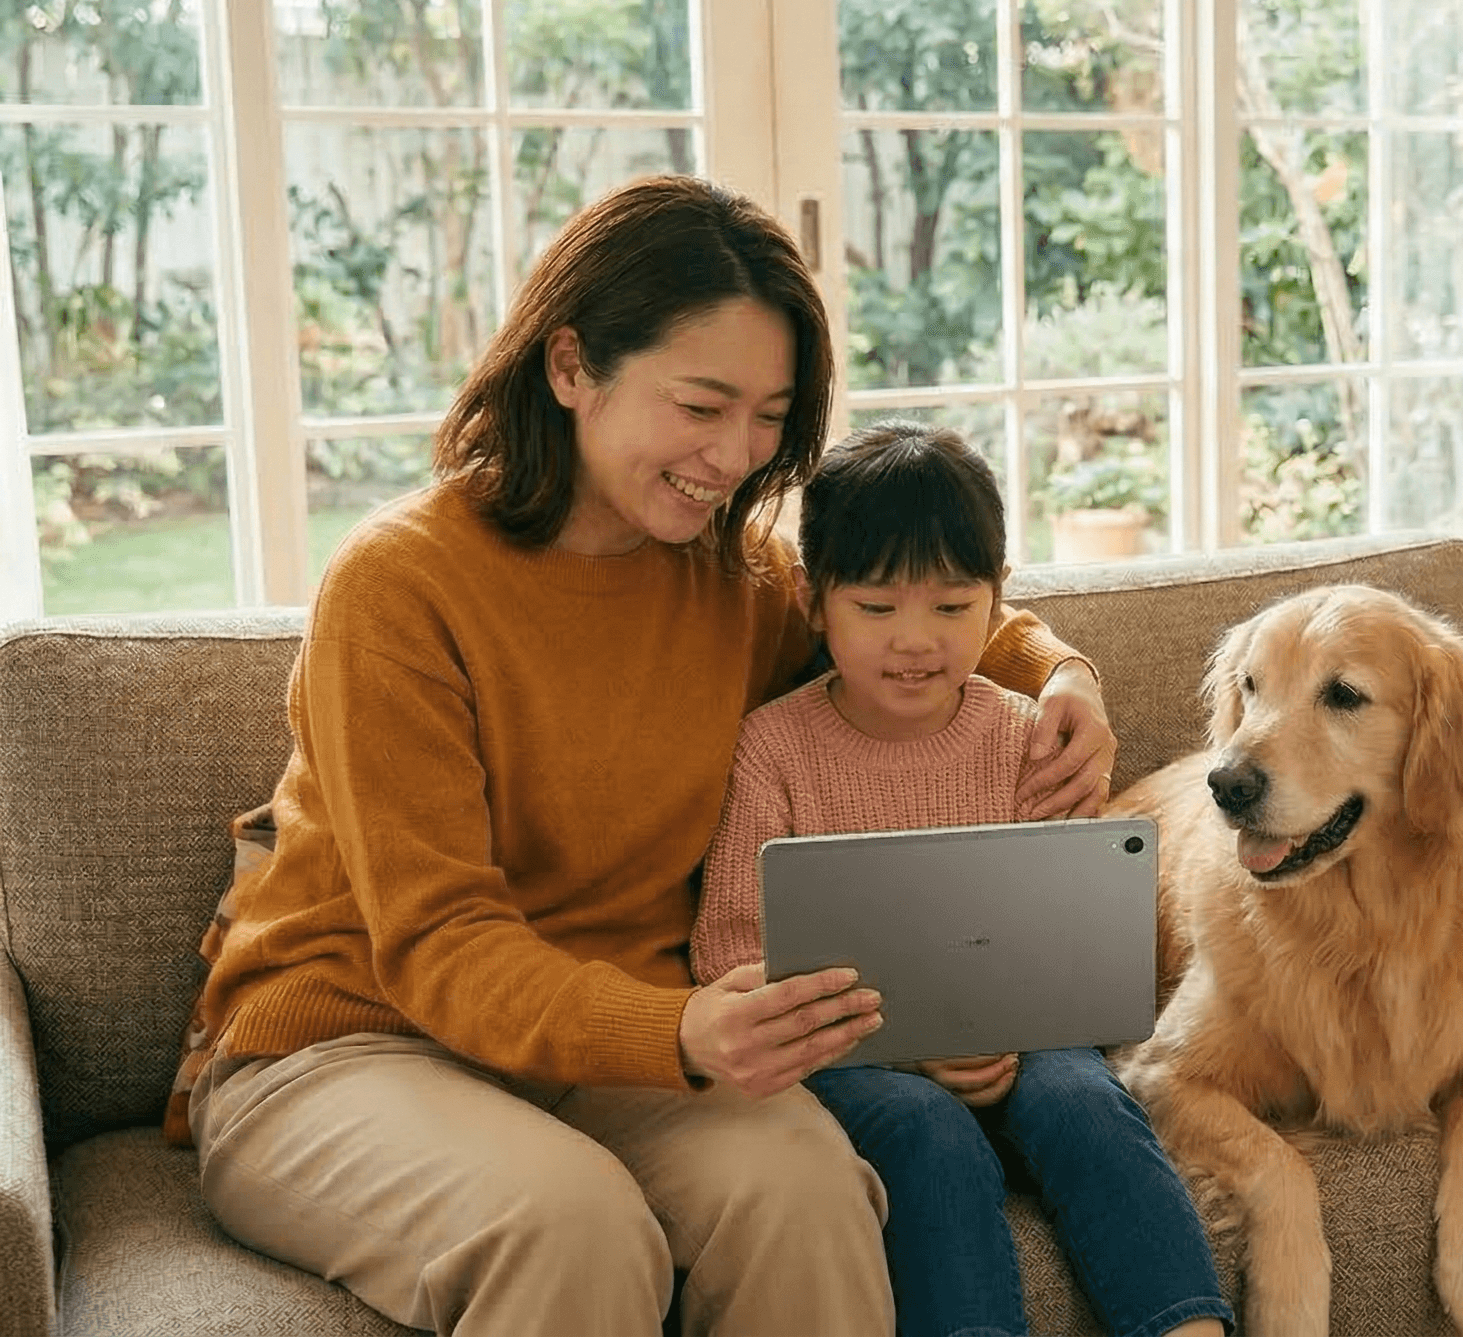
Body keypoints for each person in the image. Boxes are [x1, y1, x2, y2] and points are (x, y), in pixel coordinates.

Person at [185, 176, 1120, 1336]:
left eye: (771, 415)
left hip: (624, 1044)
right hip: (353, 1045)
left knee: (810, 1194)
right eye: (702, 404)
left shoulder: (735, 577)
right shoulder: (400, 585)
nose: (736, 455)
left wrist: (1064, 673)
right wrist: (674, 1030)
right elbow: (439, 944)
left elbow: (899, 621)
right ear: (571, 367)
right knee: (571, 1229)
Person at [691, 421, 1231, 1337]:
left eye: (951, 608)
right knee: (925, 1132)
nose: (917, 642)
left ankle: (1188, 1325)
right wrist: (903, 1046)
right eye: (877, 608)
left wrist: (1015, 1032)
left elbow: (1080, 921)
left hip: (1028, 1038)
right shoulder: (772, 749)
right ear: (815, 602)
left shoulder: (1028, 735)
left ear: (997, 600)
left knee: (1087, 1104)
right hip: (852, 1058)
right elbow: (734, 953)